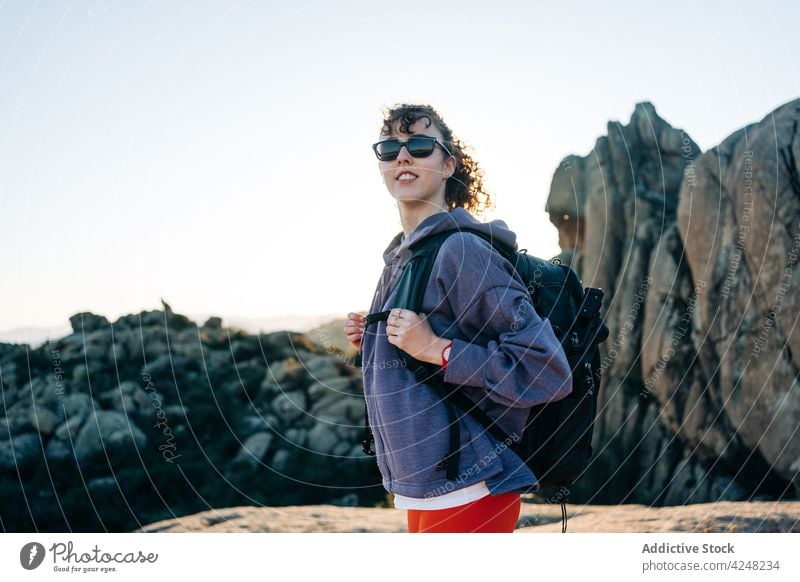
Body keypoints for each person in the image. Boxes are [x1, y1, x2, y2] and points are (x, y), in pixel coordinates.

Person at [344, 103, 573, 533]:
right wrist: (374, 339)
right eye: (390, 147)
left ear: (449, 163)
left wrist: (436, 348)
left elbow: (547, 370)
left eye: (421, 145)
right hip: (427, 485)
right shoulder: (402, 255)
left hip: (472, 488)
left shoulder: (463, 250)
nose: (403, 156)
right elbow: (424, 347)